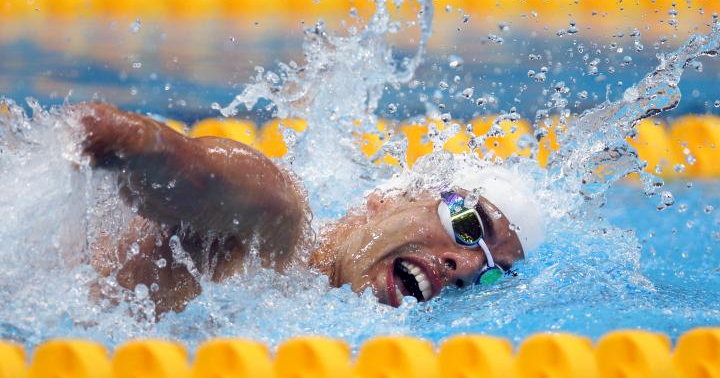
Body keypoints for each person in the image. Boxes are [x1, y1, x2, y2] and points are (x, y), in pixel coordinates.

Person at [80, 102, 544, 317]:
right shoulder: (274, 221)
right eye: (467, 224)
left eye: (490, 272)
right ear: (389, 197)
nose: (464, 266)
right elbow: (129, 142)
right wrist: (128, 143)